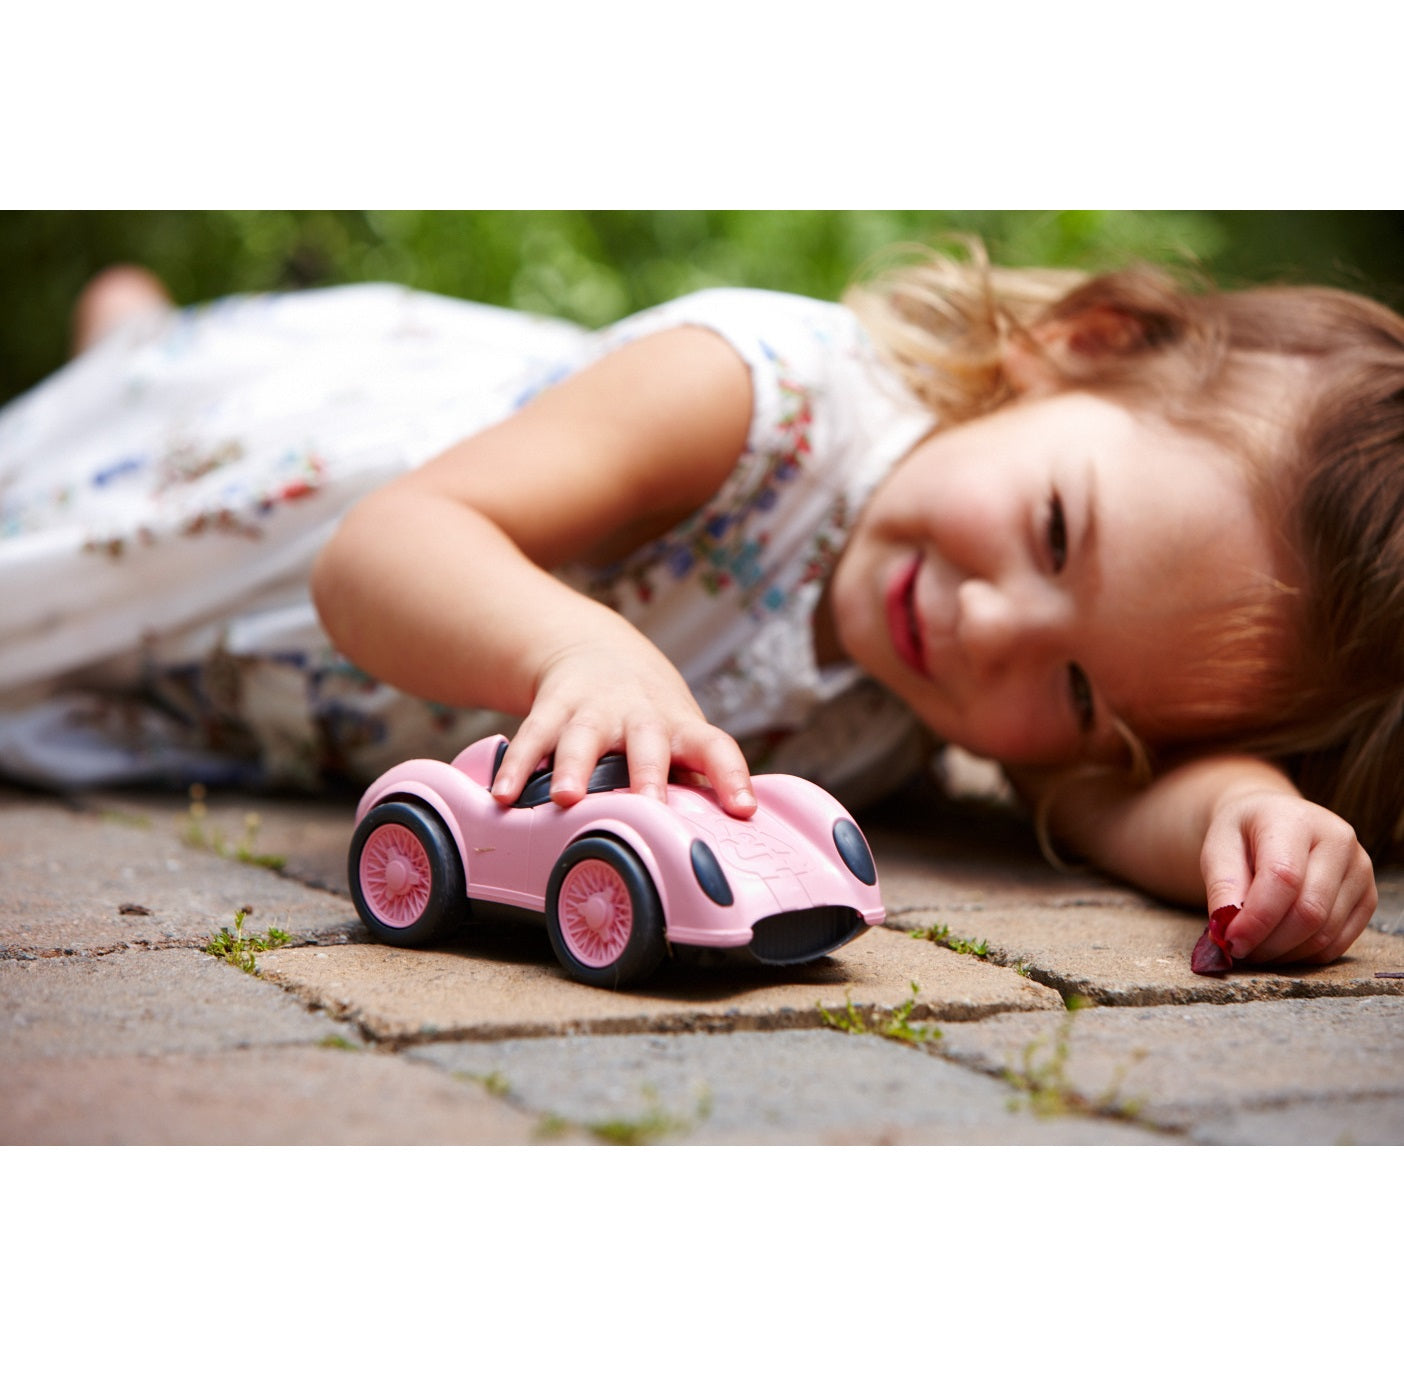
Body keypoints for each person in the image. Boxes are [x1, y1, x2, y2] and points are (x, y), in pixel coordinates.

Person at [1, 239, 1397, 969]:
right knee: (125, 425)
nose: (992, 626)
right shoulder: (756, 394)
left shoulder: (965, 678)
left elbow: (1091, 801)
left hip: (253, 704)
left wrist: (1232, 817)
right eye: (1051, 530)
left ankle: (140, 324)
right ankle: (139, 338)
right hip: (276, 478)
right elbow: (379, 553)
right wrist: (588, 647)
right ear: (1075, 349)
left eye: (1086, 690)